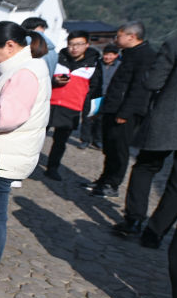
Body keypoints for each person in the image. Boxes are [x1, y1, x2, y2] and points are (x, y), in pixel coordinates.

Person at [0, 21, 52, 293]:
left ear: (11, 46)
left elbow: (6, 118)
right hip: (1, 152)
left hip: (5, 155)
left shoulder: (25, 73)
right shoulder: (19, 69)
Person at [112, 35, 177, 244]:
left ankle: (134, 220)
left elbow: (153, 82)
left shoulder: (175, 42)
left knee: (145, 167)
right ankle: (155, 232)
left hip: (168, 119)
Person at [86, 22, 157, 197]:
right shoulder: (128, 54)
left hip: (126, 111)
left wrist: (125, 112)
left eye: (119, 36)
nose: (116, 39)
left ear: (131, 36)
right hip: (113, 107)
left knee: (119, 148)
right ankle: (104, 179)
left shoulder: (145, 56)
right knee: (109, 146)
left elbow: (139, 88)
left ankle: (112, 183)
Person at [43, 31, 102, 180]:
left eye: (79, 44)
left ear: (87, 45)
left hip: (72, 108)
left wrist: (92, 112)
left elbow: (95, 90)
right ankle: (28, 164)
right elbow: (45, 78)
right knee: (37, 136)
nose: (74, 48)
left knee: (60, 141)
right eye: (71, 44)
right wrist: (54, 82)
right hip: (50, 104)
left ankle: (52, 168)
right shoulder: (58, 58)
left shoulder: (94, 64)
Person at [80, 44, 120, 148]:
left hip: (108, 96)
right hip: (94, 94)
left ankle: (97, 140)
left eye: (111, 55)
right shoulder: (96, 63)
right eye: (106, 54)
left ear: (116, 55)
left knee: (101, 120)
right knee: (88, 117)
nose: (107, 57)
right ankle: (85, 140)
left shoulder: (120, 66)